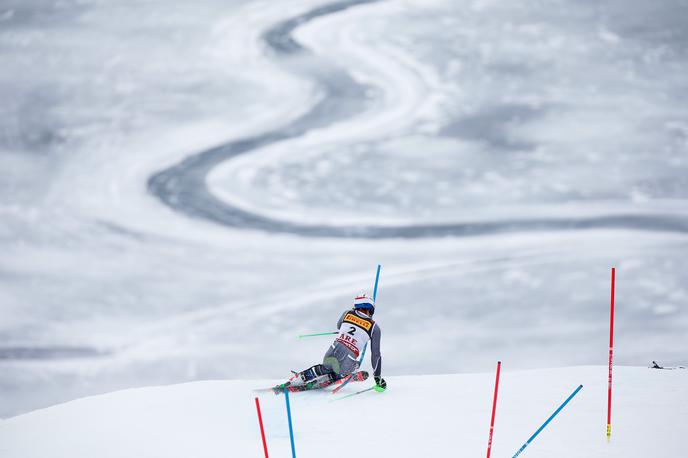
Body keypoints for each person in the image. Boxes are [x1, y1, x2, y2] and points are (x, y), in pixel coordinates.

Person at [286, 294, 386, 391]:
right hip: (348, 360)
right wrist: (378, 378)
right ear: (370, 310)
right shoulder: (374, 328)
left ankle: (299, 378)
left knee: (325, 367)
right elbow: (376, 355)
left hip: (332, 351)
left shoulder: (347, 313)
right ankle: (337, 376)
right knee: (352, 367)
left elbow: (339, 326)